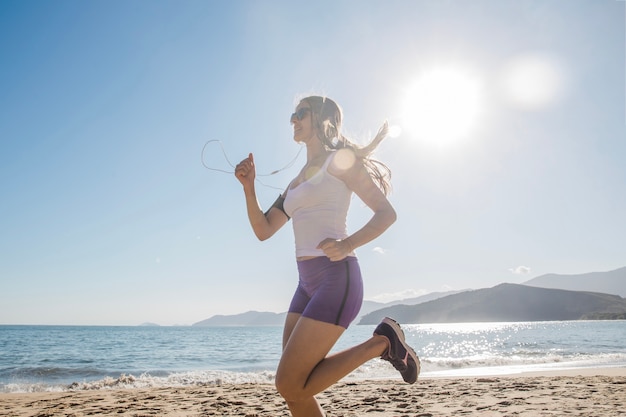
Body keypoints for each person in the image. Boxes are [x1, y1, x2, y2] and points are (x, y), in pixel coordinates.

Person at [235, 96, 419, 417]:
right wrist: (249, 188)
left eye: (300, 113)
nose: (293, 119)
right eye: (292, 114)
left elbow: (385, 213)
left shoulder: (340, 161)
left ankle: (382, 343)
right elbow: (264, 229)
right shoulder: (295, 182)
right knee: (295, 391)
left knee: (289, 383)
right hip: (305, 285)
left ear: (322, 119)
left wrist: (348, 244)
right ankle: (384, 343)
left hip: (337, 278)